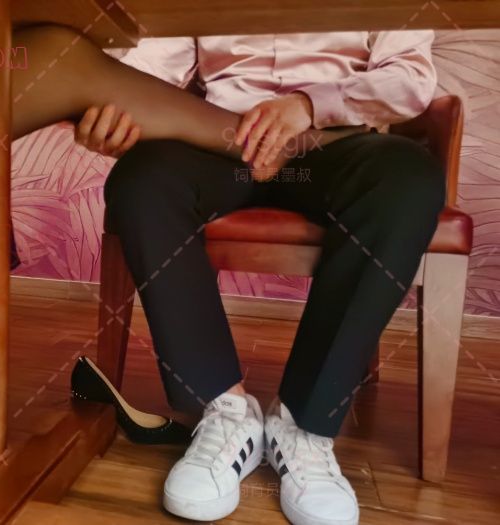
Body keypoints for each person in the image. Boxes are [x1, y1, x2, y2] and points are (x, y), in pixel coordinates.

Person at [49, 32, 442, 525]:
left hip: (336, 141)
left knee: (408, 180)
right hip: (222, 142)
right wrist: (109, 109)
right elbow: (150, 68)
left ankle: (303, 424)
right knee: (142, 179)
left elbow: (410, 78)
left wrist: (309, 105)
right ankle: (226, 411)